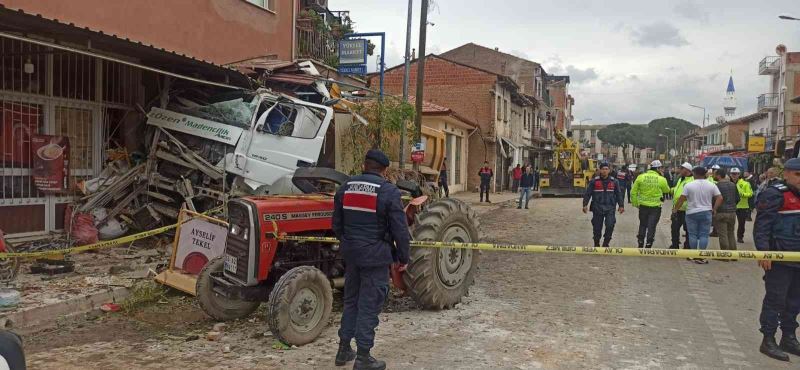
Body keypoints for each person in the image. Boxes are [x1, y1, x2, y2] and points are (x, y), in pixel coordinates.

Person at [332, 149, 411, 370]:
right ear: (384, 170)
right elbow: (400, 230)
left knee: (351, 301)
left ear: (364, 165)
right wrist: (403, 258)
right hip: (375, 257)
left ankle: (344, 349)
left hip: (352, 256)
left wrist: (350, 244)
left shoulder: (345, 188)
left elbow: (336, 225)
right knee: (369, 304)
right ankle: (364, 357)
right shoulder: (388, 191)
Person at [753, 157, 800, 362]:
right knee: (776, 299)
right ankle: (768, 338)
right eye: (798, 175)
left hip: (798, 258)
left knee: (795, 301)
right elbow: (762, 227)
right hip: (780, 257)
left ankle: (788, 337)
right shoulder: (775, 194)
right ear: (787, 173)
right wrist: (764, 252)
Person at [673, 166, 722, 264]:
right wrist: (714, 209)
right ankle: (702, 256)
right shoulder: (711, 185)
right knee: (704, 235)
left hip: (691, 212)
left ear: (694, 174)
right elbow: (720, 198)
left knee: (693, 234)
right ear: (704, 174)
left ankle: (693, 255)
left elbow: (681, 199)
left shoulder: (689, 185)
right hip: (706, 212)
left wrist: (675, 210)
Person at [582, 162, 625, 247]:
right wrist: (585, 205)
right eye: (603, 169)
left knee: (610, 225)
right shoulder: (594, 181)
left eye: (606, 169)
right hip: (597, 207)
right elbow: (588, 193)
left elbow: (619, 194)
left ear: (609, 170)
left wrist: (621, 205)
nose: (604, 171)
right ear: (599, 170)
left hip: (610, 208)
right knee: (597, 227)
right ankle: (596, 243)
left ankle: (606, 243)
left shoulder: (614, 181)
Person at [631, 160, 671, 248]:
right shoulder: (661, 179)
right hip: (655, 207)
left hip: (643, 206)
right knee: (651, 226)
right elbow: (667, 190)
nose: (662, 170)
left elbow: (633, 192)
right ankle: (649, 243)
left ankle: (640, 241)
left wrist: (635, 203)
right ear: (658, 168)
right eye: (661, 168)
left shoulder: (641, 177)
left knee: (643, 224)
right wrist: (662, 178)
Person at [713, 168, 739, 253]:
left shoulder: (717, 186)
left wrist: (714, 209)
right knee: (731, 233)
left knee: (723, 234)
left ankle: (725, 255)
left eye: (715, 174)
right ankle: (734, 254)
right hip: (732, 213)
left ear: (719, 175)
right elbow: (737, 198)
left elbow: (714, 199)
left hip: (721, 213)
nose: (714, 176)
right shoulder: (733, 185)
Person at [670, 162, 694, 249]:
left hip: (687, 209)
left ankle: (687, 246)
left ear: (687, 170)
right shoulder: (681, 179)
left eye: (681, 168)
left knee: (688, 229)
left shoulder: (692, 181)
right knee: (674, 228)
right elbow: (678, 190)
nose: (679, 170)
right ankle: (675, 245)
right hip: (677, 209)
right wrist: (673, 190)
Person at [730, 167, 753, 243]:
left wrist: (742, 194)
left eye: (735, 174)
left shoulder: (745, 183)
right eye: (732, 174)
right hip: (731, 206)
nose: (734, 175)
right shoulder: (728, 183)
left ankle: (740, 237)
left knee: (741, 224)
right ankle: (730, 237)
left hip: (742, 206)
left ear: (739, 174)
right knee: (730, 224)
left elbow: (750, 194)